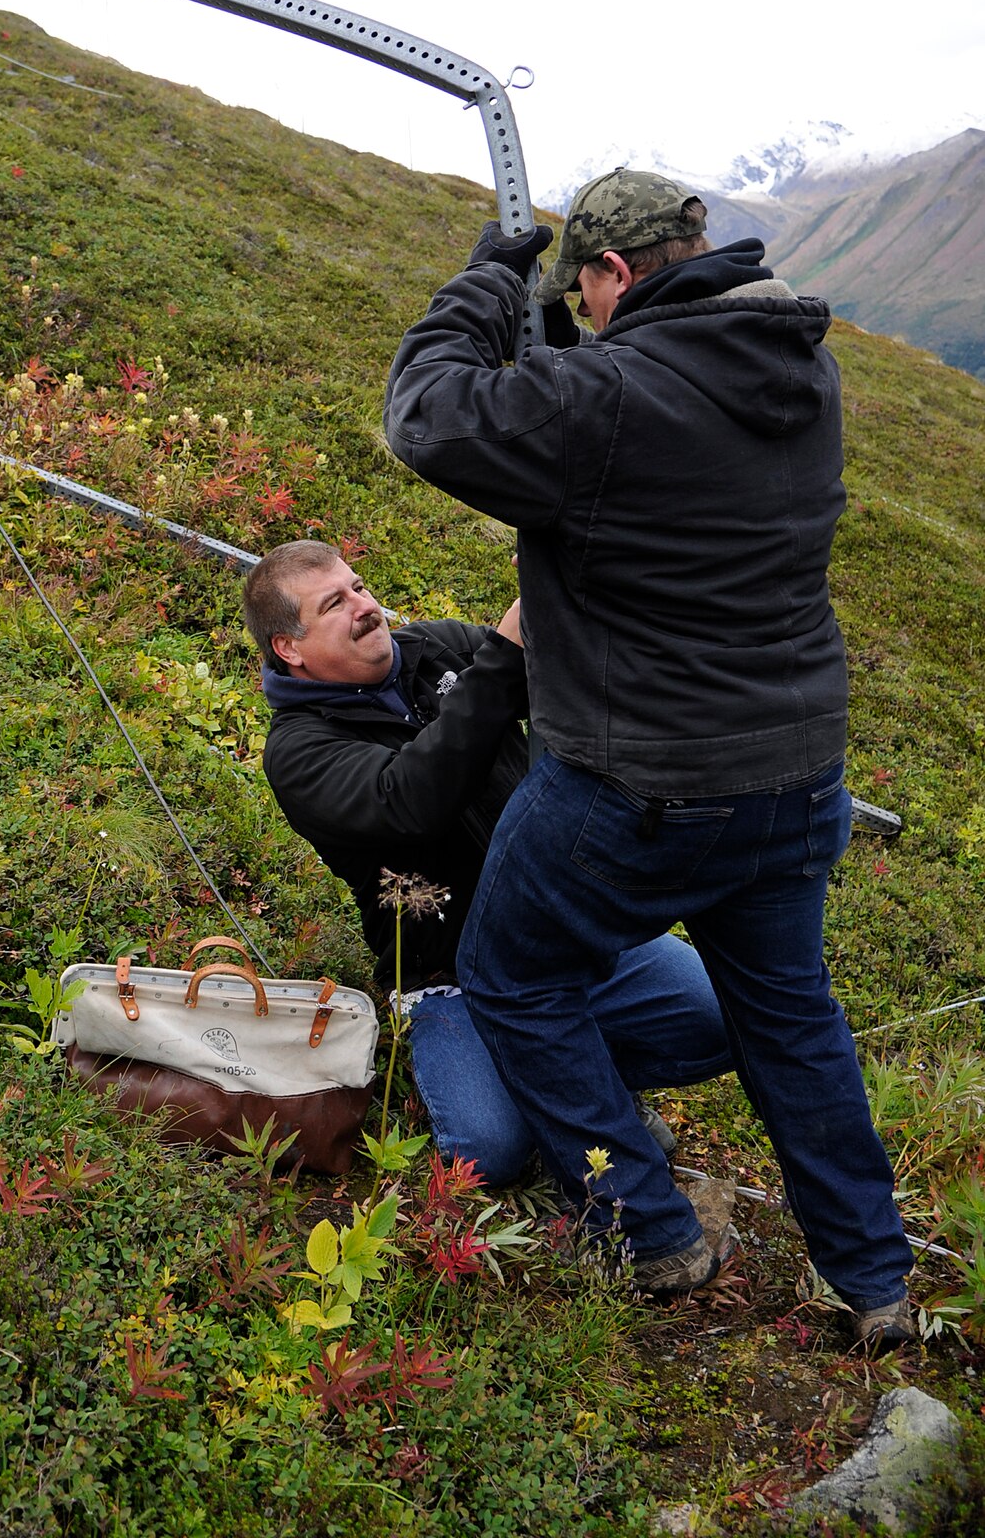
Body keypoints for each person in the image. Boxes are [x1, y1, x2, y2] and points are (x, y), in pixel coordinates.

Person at [381, 169, 913, 1344]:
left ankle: (650, 1225)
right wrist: (565, 338)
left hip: (638, 784)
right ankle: (874, 1279)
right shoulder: (799, 366)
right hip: (796, 776)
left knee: (513, 973)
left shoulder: (604, 395)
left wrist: (484, 285)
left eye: (588, 286)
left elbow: (427, 414)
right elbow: (640, 413)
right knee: (791, 1017)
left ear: (615, 273)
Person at [243, 536, 732, 1186]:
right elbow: (409, 801)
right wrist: (502, 658)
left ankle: (585, 1080)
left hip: (559, 928)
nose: (364, 606)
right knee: (489, 1154)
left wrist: (566, 600)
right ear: (290, 648)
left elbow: (569, 684)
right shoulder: (299, 751)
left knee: (723, 1014)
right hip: (451, 977)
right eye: (333, 603)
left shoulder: (437, 648)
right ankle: (564, 1091)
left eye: (357, 586)